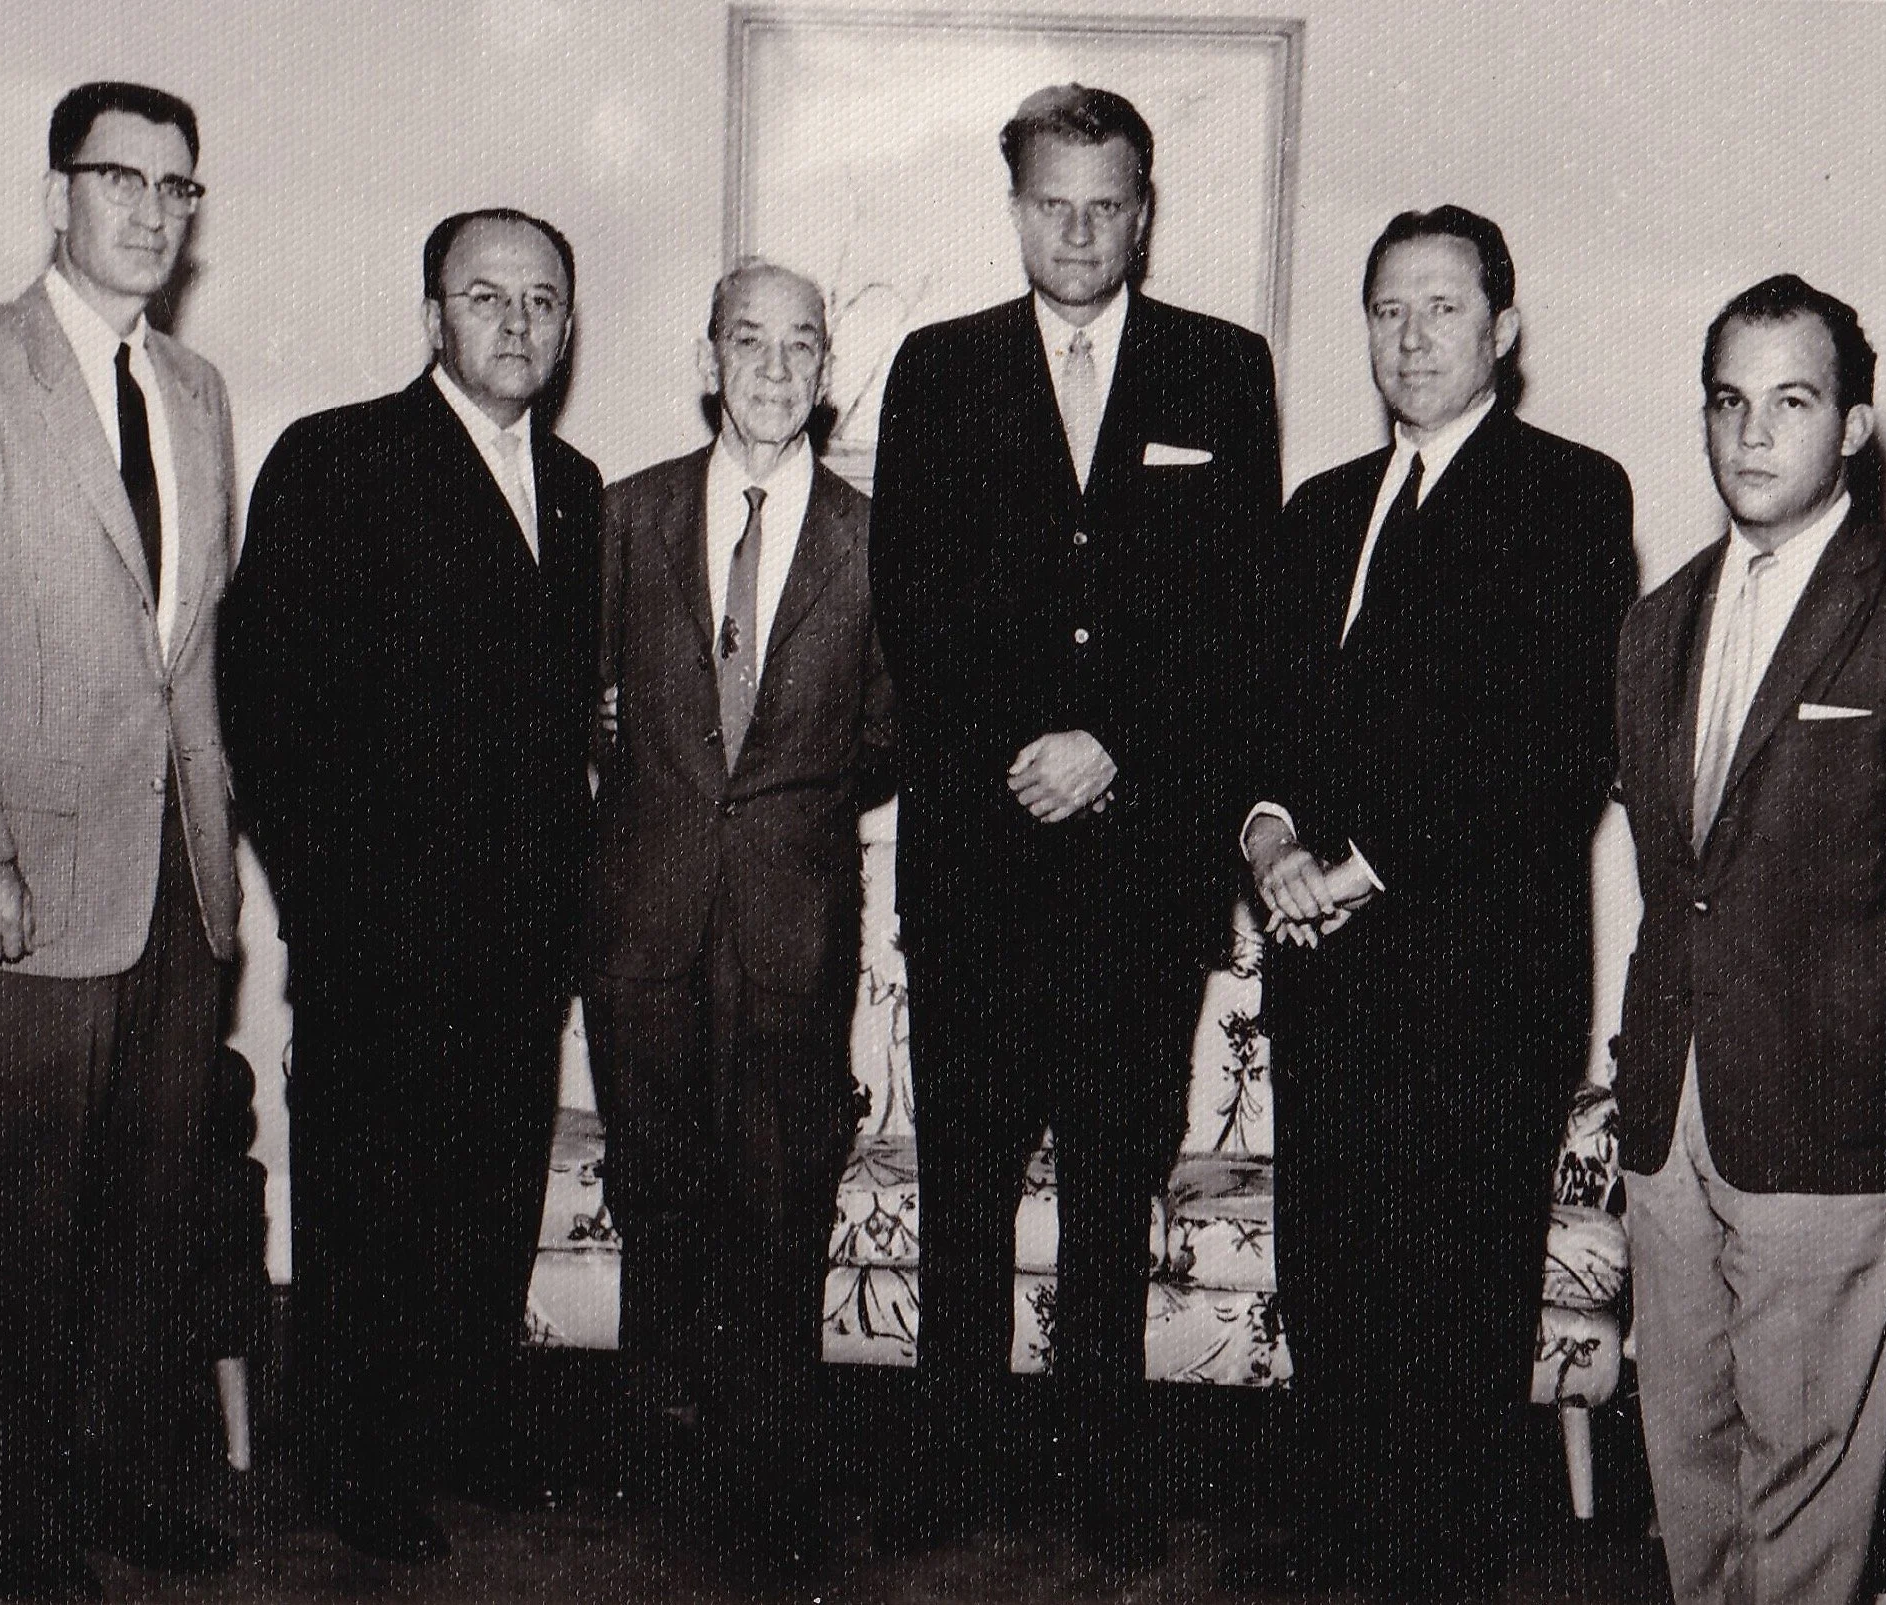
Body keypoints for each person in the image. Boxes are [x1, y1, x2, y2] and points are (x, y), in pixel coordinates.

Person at [868, 83, 1281, 1568]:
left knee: (1115, 1188)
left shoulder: (1223, 370)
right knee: (966, 1186)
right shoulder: (937, 366)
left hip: (1140, 869)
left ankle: (1105, 1485)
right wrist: (1017, 754)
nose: (1082, 230)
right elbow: (908, 606)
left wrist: (1116, 749)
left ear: (1145, 210)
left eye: (1108, 203)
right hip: (979, 859)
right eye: (1055, 202)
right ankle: (948, 1476)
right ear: (1016, 206)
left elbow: (1242, 620)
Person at [1612, 275, 1886, 1605]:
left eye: (1790, 402)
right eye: (1728, 402)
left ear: (1853, 426)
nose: (1751, 434)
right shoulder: (1654, 624)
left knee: (1804, 1500)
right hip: (1670, 1113)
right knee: (1686, 1469)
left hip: (1834, 1117)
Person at [0, 80, 241, 1600]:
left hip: (174, 884)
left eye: (177, 188)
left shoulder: (198, 390)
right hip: (16, 878)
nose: (152, 211)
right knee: (12, 1232)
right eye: (122, 179)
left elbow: (187, 651)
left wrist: (225, 854)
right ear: (57, 195)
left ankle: (123, 1493)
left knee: (144, 1227)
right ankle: (15, 1530)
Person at [1235, 206, 1638, 1597]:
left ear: (1503, 331)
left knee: (1456, 1312)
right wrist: (1270, 833)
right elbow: (1265, 720)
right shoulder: (1316, 508)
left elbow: (1548, 749)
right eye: (1386, 310)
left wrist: (1356, 866)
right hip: (1325, 971)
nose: (1409, 338)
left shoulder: (1571, 496)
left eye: (1442, 308)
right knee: (1332, 1287)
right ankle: (1340, 1556)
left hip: (1477, 979)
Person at [217, 208, 601, 1564]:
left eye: (541, 300)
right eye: (484, 296)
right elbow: (262, 701)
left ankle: (471, 1432)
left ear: (566, 324)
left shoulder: (573, 484)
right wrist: (327, 897)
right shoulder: (339, 457)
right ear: (432, 315)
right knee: (368, 1200)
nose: (515, 322)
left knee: (491, 1193)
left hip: (519, 933)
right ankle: (353, 1470)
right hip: (379, 928)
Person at [585, 259, 894, 1586]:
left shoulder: (875, 540)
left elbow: (887, 732)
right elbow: (579, 698)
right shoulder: (619, 517)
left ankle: (769, 1476)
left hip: (794, 919)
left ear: (829, 373)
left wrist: (779, 805)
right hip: (642, 918)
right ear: (707, 358)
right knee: (659, 1183)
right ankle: (666, 1460)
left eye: (800, 348)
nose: (773, 370)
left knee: (778, 1192)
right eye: (748, 343)